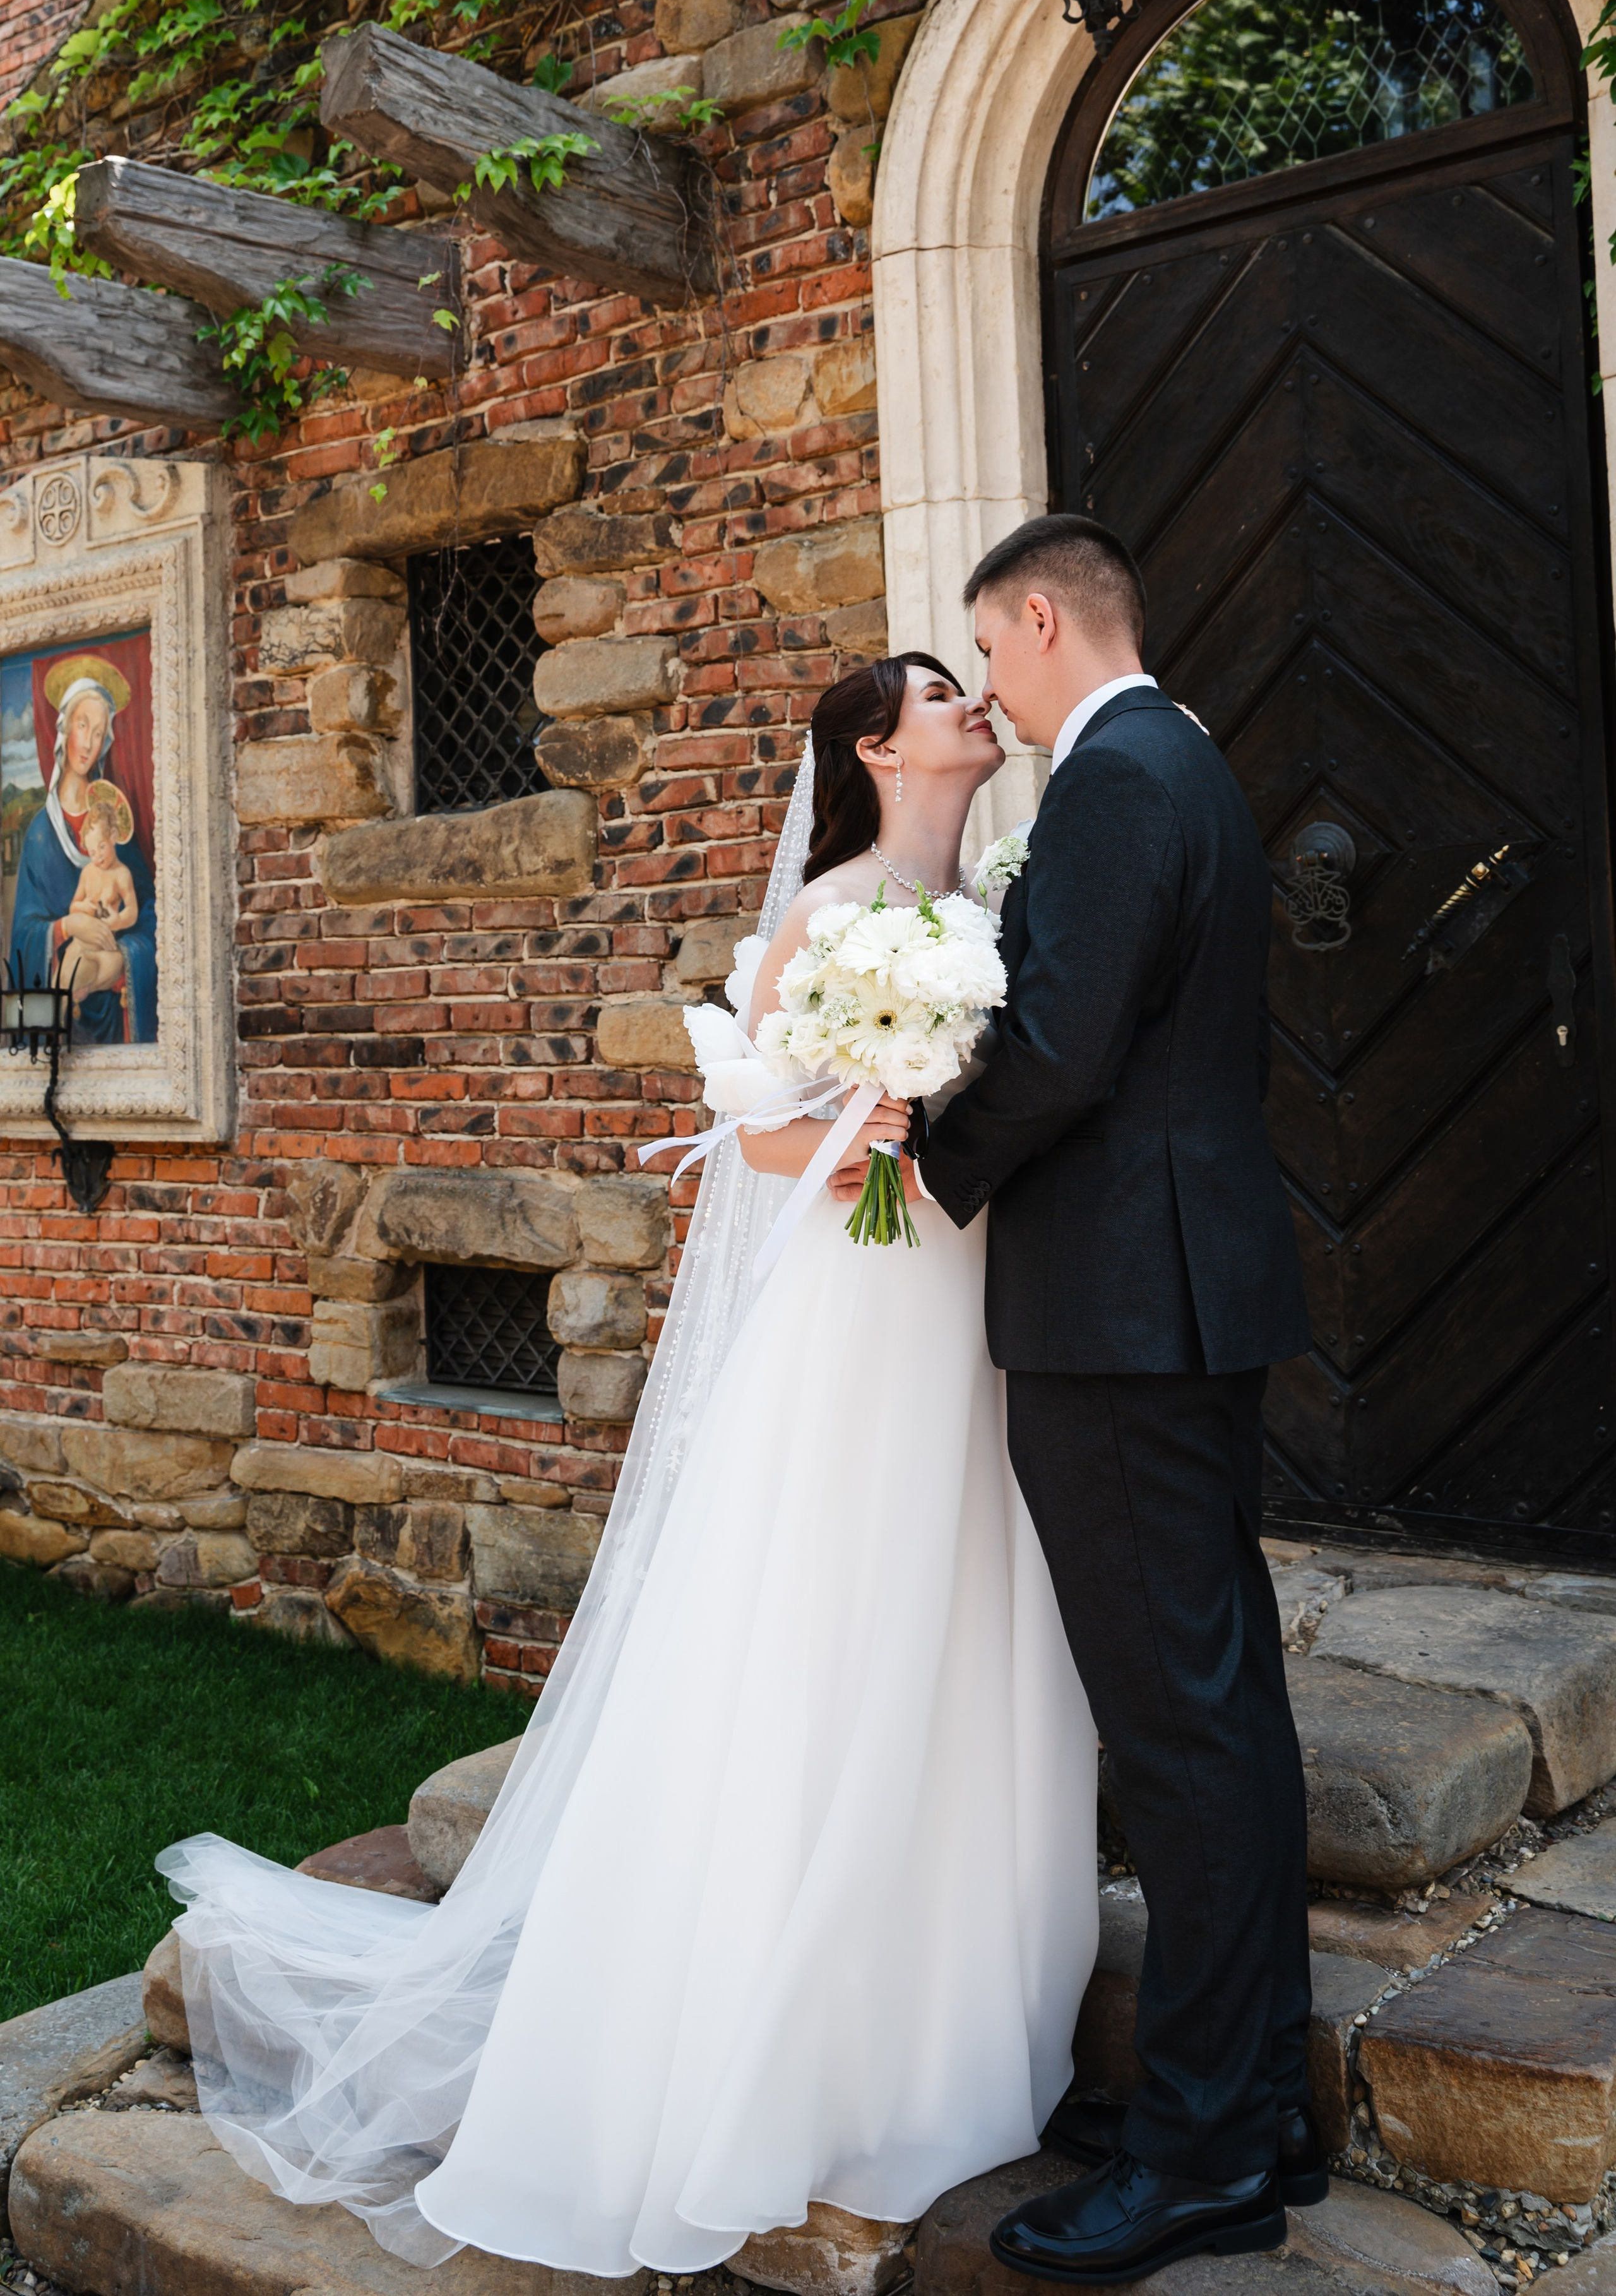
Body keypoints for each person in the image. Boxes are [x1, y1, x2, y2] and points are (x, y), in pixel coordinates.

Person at [155, 651, 1100, 2275]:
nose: (973, 706)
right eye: (940, 691)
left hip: (970, 1299)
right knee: (835, 1620)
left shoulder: (1005, 898)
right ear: (874, 746)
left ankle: (953, 2007)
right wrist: (870, 1122)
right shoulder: (833, 907)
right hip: (859, 1307)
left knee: (965, 1616)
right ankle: (774, 2034)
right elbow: (758, 1136)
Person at [913, 515, 1317, 2286]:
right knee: (1220, 1708)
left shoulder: (1119, 779)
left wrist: (927, 1160)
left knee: (1181, 1728)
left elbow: (1061, 1044)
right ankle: (1253, 2094)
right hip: (1172, 1298)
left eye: (990, 652)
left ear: (1041, 618)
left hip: (1121, 1316)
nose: (989, 686)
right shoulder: (1188, 762)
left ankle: (1210, 2150)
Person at [10, 658, 157, 1044]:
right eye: (82, 726)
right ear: (64, 730)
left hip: (114, 1007)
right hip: (67, 1017)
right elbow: (24, 933)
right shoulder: (41, 834)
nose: (89, 743)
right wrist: (67, 926)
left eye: (99, 731)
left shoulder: (115, 824)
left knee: (85, 970)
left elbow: (151, 914)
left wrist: (124, 955)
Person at [59, 790, 140, 1008]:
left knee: (117, 963)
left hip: (106, 949)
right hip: (82, 946)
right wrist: (83, 906)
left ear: (114, 836)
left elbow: (132, 911)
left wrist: (118, 920)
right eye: (92, 852)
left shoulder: (122, 875)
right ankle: (71, 999)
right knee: (67, 978)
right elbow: (73, 906)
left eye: (102, 847)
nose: (98, 857)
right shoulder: (88, 873)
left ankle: (85, 991)